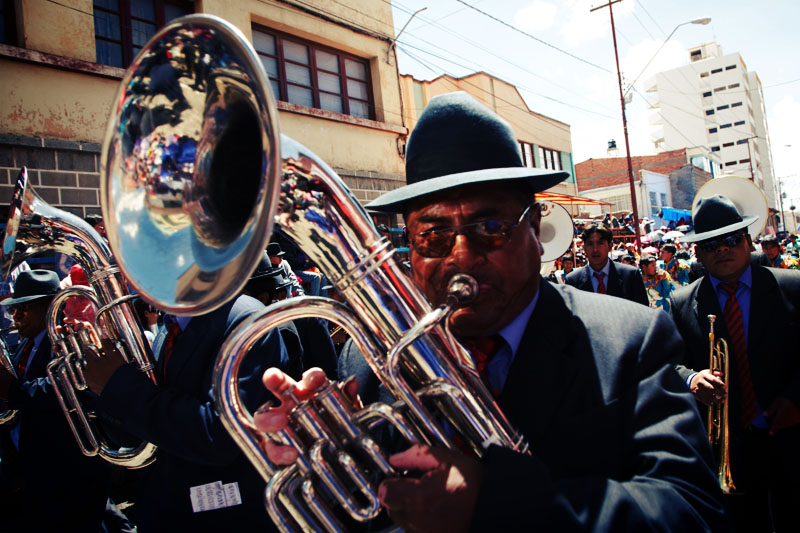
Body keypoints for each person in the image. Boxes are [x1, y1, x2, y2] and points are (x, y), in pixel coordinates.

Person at [252, 92, 729, 531]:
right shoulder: (367, 362)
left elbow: (692, 510)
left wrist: (497, 502)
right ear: (410, 247)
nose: (460, 254)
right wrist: (329, 465)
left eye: (491, 226)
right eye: (433, 234)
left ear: (535, 229)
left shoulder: (632, 341)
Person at [81, 289, 289, 532]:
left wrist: (117, 385)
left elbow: (219, 436)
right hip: (167, 513)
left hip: (222, 520)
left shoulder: (245, 320)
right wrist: (101, 383)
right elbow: (140, 435)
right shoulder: (169, 325)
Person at [670, 194, 800, 533]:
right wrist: (691, 379)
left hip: (792, 441)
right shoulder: (681, 303)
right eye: (711, 244)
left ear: (748, 240)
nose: (722, 250)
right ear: (698, 252)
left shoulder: (792, 286)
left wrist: (797, 398)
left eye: (731, 239)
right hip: (730, 456)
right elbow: (668, 363)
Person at [0, 270, 113, 532]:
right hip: (37, 471)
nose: (15, 315)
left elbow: (67, 386)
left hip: (67, 470)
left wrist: (11, 390)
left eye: (24, 308)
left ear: (49, 306)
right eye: (14, 309)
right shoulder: (24, 347)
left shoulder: (66, 339)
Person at [565, 224, 649, 306]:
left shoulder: (630, 276)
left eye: (600, 243)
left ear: (610, 246)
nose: (595, 249)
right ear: (585, 248)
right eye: (590, 244)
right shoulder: (573, 281)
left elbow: (643, 312)